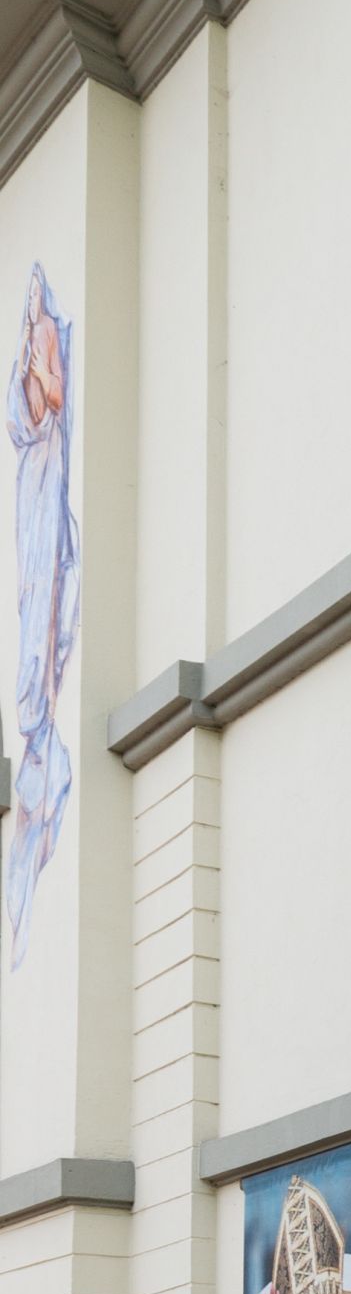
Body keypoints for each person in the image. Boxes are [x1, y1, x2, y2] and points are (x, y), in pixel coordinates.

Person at [6, 263, 75, 965]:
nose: (29, 303)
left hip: (48, 475)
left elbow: (53, 400)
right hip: (29, 480)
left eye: (32, 295)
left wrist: (37, 366)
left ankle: (39, 697)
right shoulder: (30, 339)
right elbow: (20, 418)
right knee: (28, 590)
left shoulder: (49, 335)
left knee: (43, 602)